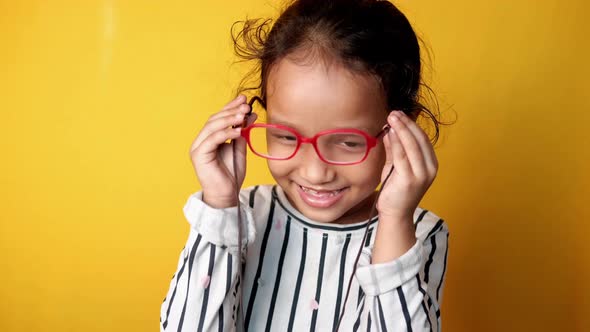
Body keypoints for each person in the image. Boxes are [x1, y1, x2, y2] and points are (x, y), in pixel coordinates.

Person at [160, 0, 449, 331]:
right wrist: (218, 204)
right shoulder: (239, 215)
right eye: (285, 136)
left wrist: (396, 220)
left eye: (348, 142)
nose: (315, 173)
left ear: (402, 131)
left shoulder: (419, 233)